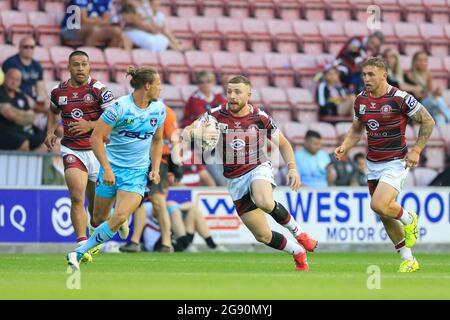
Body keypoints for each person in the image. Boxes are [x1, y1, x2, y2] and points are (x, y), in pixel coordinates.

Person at [183, 75, 317, 271]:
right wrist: (197, 134)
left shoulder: (260, 117)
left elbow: (284, 144)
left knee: (263, 200)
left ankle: (300, 233)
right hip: (235, 180)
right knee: (262, 236)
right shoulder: (215, 115)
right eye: (229, 92)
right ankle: (297, 251)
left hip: (257, 167)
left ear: (248, 94)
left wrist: (292, 168)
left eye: (238, 92)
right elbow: (187, 132)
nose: (232, 96)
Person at [334, 57, 435, 272]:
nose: (366, 78)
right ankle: (409, 259)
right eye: (364, 74)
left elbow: (428, 120)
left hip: (396, 162)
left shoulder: (400, 98)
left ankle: (409, 218)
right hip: (373, 163)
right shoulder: (360, 100)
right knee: (384, 214)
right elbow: (357, 129)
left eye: (371, 74)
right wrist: (345, 146)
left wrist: (416, 150)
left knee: (378, 204)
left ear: (383, 75)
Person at [67, 66, 166, 270]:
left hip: (137, 172)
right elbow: (96, 138)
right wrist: (107, 169)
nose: (160, 88)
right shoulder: (119, 108)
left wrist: (155, 168)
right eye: (158, 84)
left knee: (120, 215)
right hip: (111, 169)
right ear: (147, 86)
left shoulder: (159, 109)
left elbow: (158, 140)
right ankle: (118, 221)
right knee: (98, 218)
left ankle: (79, 251)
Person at [45, 51, 115, 262]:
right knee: (77, 197)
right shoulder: (59, 91)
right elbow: (52, 110)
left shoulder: (99, 90)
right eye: (76, 65)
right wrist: (50, 132)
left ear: (89, 66)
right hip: (72, 150)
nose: (80, 68)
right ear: (69, 67)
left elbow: (113, 120)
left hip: (97, 153)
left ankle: (99, 232)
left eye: (84, 64)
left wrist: (90, 125)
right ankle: (81, 245)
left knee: (96, 213)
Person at [120, 104, 181, 253]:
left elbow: (174, 139)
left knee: (157, 200)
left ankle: (167, 243)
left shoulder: (165, 111)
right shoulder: (133, 108)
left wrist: (177, 163)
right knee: (138, 201)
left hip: (159, 161)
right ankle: (135, 242)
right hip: (138, 160)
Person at [182, 71, 228, 186]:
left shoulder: (218, 98)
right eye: (201, 82)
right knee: (220, 179)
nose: (205, 85)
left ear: (213, 83)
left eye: (208, 82)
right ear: (197, 84)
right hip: (199, 143)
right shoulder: (194, 99)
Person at [2, 37, 49, 129]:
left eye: (32, 47)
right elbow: (11, 85)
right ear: (20, 48)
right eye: (26, 47)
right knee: (28, 105)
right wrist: (28, 99)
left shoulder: (37, 65)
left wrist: (42, 100)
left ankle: (47, 131)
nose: (29, 49)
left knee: (50, 106)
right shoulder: (11, 63)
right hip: (15, 96)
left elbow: (40, 87)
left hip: (31, 97)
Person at [0, 68, 46, 151]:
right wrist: (24, 116)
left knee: (47, 141)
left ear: (20, 82)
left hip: (21, 132)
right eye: (11, 78)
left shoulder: (20, 95)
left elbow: (31, 117)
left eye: (17, 80)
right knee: (23, 143)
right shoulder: (1, 92)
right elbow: (10, 114)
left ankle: (34, 163)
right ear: (5, 78)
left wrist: (18, 115)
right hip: (4, 132)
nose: (14, 82)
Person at [405, 51, 450, 127]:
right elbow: (417, 96)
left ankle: (440, 135)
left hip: (428, 104)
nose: (423, 62)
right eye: (420, 60)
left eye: (425, 60)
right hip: (417, 106)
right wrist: (432, 95)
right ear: (414, 61)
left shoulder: (428, 73)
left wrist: (436, 93)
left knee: (439, 115)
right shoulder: (410, 74)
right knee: (437, 100)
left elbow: (430, 91)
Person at [61, 0, 127, 49]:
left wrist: (94, 21)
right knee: (93, 30)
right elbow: (83, 21)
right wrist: (99, 20)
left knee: (117, 32)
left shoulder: (105, 1)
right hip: (70, 28)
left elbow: (107, 21)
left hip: (96, 28)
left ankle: (108, 61)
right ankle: (85, 60)